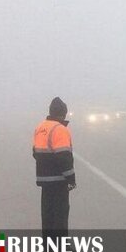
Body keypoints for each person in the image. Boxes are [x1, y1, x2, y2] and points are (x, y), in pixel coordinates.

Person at [33, 97, 76, 240]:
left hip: (44, 179)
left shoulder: (40, 128)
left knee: (47, 212)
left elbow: (35, 152)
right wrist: (71, 178)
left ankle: (48, 243)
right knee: (60, 213)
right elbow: (64, 157)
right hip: (58, 179)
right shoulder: (60, 129)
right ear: (63, 113)